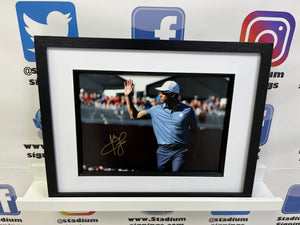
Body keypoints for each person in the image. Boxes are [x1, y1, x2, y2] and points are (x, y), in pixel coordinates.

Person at [124, 79, 198, 172]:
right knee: (162, 180)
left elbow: (195, 133)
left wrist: (194, 153)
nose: (160, 95)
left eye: (163, 92)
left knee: (175, 180)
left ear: (173, 95)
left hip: (180, 152)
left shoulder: (188, 111)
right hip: (163, 152)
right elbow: (133, 115)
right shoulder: (155, 109)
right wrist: (127, 96)